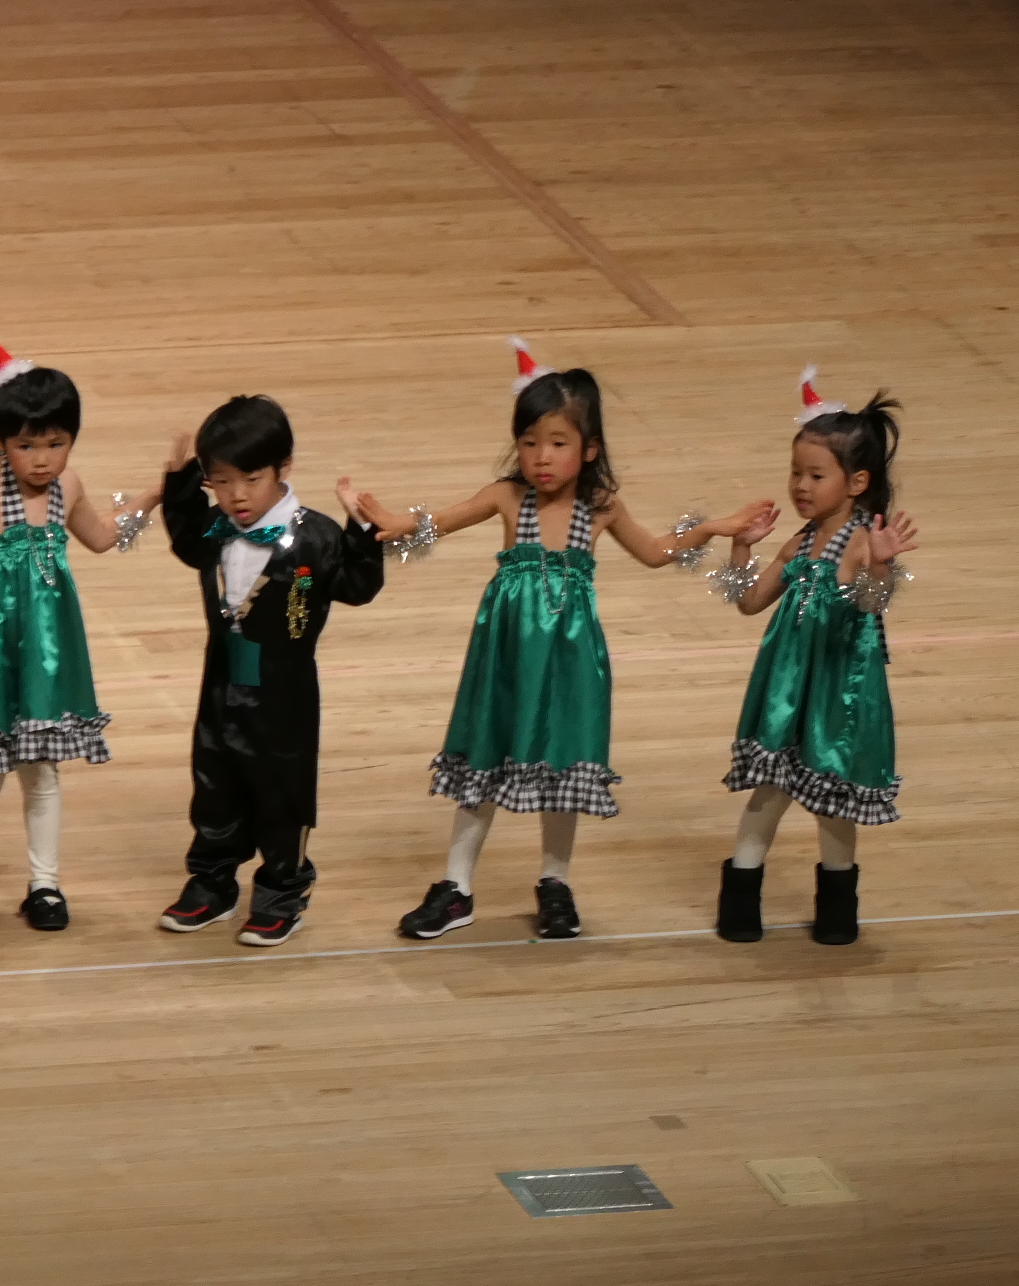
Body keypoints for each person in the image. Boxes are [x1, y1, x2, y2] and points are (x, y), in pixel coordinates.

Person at [352, 339, 769, 943]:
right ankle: (456, 887)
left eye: (557, 443)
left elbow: (656, 552)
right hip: (505, 658)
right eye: (529, 443)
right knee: (486, 753)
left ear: (589, 448)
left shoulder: (600, 508)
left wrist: (714, 528)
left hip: (570, 660)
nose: (541, 457)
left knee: (563, 761)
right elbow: (438, 521)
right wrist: (396, 522)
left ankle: (555, 882)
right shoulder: (506, 496)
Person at [0, 331, 152, 933]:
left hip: (49, 649)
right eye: (26, 445)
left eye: (56, 444)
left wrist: (155, 493)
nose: (41, 459)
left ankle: (45, 883)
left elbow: (101, 537)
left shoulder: (69, 486)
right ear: (2, 441)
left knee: (42, 771)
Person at [154, 394, 386, 946]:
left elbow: (358, 587)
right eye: (220, 482)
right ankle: (212, 883)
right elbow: (186, 538)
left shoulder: (317, 537)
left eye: (251, 479)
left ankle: (283, 891)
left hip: (284, 691)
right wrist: (180, 484)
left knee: (281, 790)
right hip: (220, 681)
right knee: (213, 782)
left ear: (284, 467)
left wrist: (361, 532)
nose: (236, 495)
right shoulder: (215, 527)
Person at [712, 369, 917, 948]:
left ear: (857, 482)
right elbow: (749, 602)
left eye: (816, 475)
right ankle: (740, 903)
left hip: (837, 690)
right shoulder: (800, 542)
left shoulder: (861, 541)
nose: (801, 486)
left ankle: (836, 911)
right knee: (770, 791)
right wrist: (741, 547)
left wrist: (880, 564)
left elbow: (871, 602)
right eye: (796, 472)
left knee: (834, 804)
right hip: (787, 685)